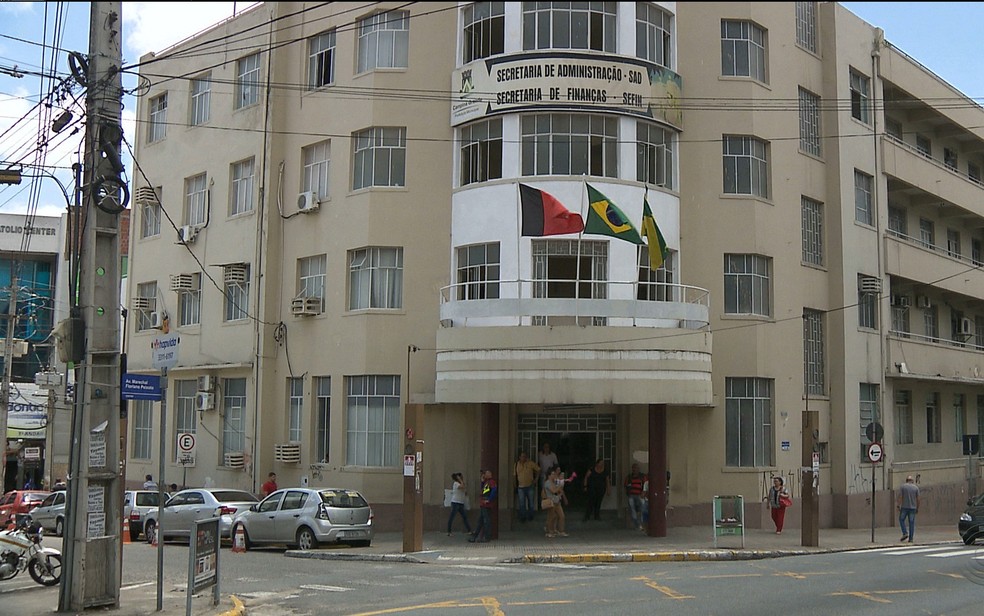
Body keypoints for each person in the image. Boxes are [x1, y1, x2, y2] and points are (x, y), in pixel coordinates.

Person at [468, 469, 497, 543]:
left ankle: (486, 537)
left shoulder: (492, 482)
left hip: (486, 504)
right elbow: (483, 490)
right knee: (480, 521)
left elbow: (494, 491)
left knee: (486, 520)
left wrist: (489, 500)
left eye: (487, 473)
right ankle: (475, 536)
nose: (485, 475)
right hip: (483, 503)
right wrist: (482, 481)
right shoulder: (486, 482)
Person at [542, 465, 569, 538]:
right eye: (553, 474)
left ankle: (561, 530)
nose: (554, 475)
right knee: (551, 517)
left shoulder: (554, 482)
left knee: (562, 516)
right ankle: (549, 531)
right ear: (549, 475)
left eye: (554, 474)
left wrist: (561, 492)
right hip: (551, 502)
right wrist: (559, 486)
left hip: (557, 501)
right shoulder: (547, 483)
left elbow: (558, 490)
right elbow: (553, 491)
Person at [514, 451, 540, 523]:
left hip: (530, 486)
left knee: (531, 503)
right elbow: (514, 475)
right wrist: (515, 485)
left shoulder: (530, 463)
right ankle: (523, 517)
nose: (524, 458)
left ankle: (530, 516)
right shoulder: (516, 465)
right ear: (519, 457)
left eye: (525, 456)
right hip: (520, 487)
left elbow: (538, 469)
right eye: (522, 456)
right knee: (522, 503)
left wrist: (536, 479)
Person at [625, 463, 648, 531]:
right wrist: (628, 494)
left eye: (636, 468)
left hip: (640, 495)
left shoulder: (642, 477)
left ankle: (643, 524)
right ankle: (637, 525)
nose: (635, 469)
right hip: (631, 496)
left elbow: (646, 486)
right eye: (633, 468)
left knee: (643, 509)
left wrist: (643, 494)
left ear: (639, 469)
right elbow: (626, 486)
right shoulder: (629, 477)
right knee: (632, 509)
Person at [897, 475, 920, 543]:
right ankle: (911, 538)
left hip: (904, 507)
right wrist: (917, 508)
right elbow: (918, 499)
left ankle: (905, 532)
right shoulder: (916, 488)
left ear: (906, 480)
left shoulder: (903, 487)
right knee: (911, 523)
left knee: (901, 519)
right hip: (913, 508)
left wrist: (898, 505)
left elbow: (901, 497)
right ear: (912, 481)